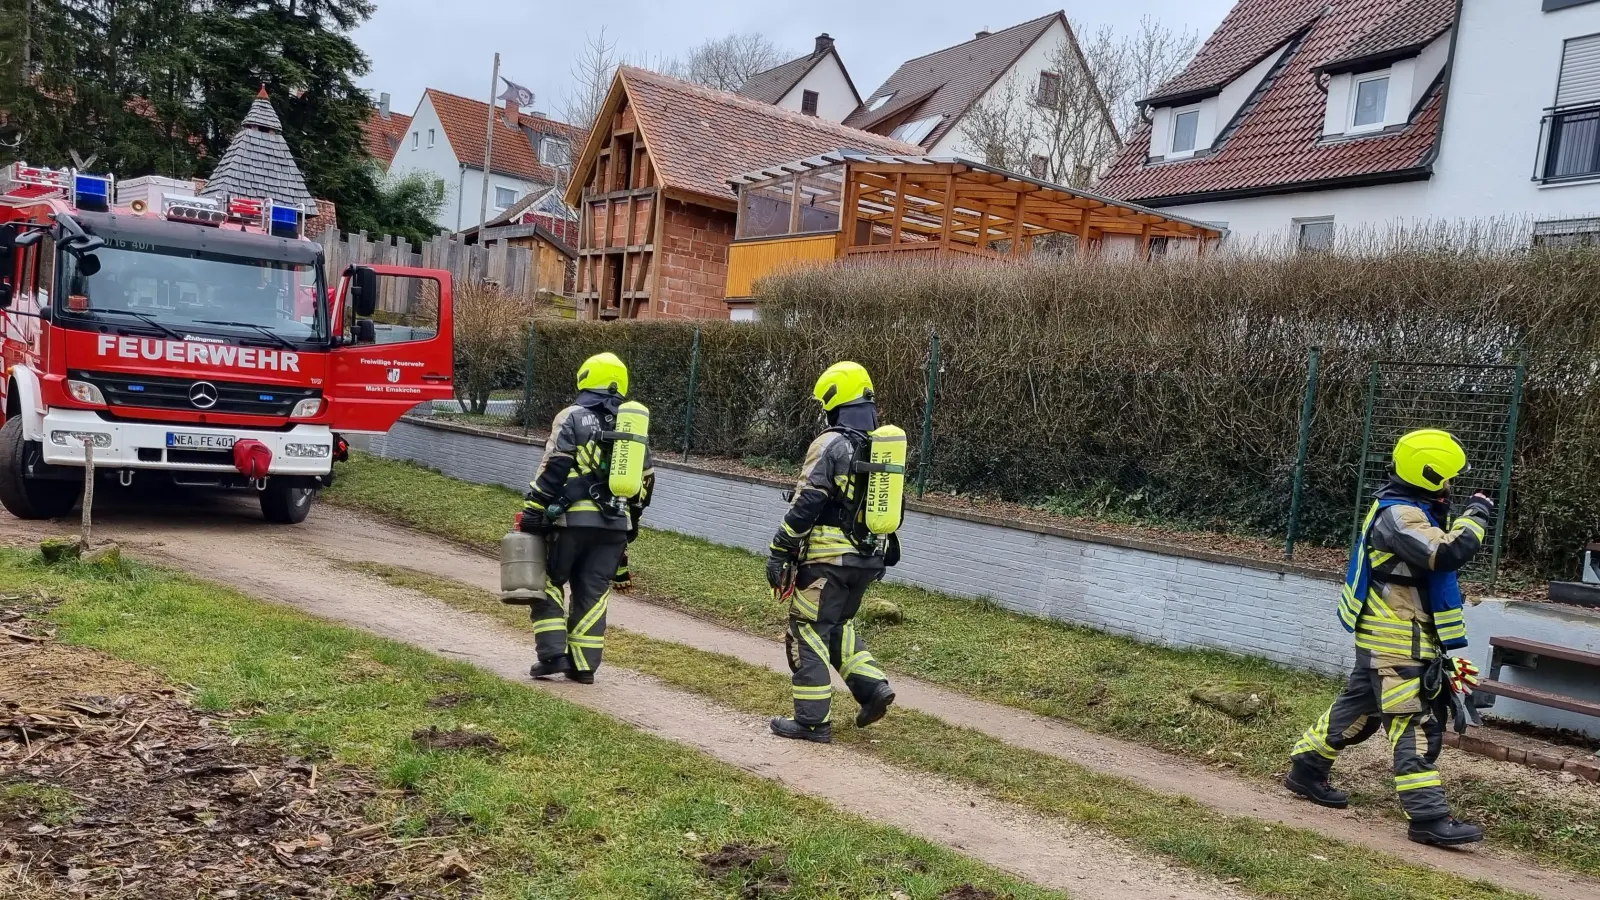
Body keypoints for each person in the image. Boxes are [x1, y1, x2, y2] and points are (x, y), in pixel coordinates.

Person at [1285, 428, 1492, 847]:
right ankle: (1429, 818)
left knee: (1358, 709)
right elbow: (1447, 552)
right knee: (1414, 722)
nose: (1451, 486)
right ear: (1428, 475)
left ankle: (1306, 769)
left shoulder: (1405, 507)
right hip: (1398, 639)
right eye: (1447, 478)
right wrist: (1478, 513)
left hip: (1387, 633)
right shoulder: (1401, 516)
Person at [766, 361, 899, 743]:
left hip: (828, 561)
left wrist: (780, 549)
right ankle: (873, 689)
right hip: (867, 560)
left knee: (806, 631)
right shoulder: (881, 445)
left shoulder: (831, 443)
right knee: (837, 627)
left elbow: (807, 503)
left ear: (834, 400)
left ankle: (811, 722)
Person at [520, 352, 654, 684]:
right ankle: (584, 667)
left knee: (547, 580)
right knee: (593, 592)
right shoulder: (632, 427)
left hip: (570, 522)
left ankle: (552, 655)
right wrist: (630, 523)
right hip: (615, 526)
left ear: (585, 378)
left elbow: (556, 465)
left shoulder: (572, 416)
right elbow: (646, 483)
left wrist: (535, 509)